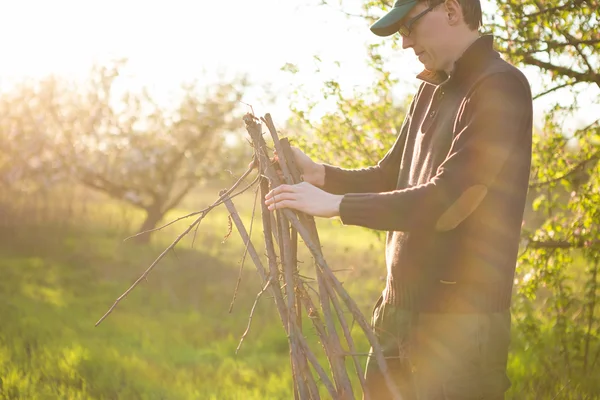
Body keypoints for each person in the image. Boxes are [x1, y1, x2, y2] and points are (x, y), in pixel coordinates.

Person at [265, 0, 533, 398]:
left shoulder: (500, 86)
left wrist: (338, 207)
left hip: (458, 322)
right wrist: (321, 176)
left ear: (452, 10)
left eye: (408, 27)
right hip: (396, 313)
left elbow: (448, 201)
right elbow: (390, 175)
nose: (405, 44)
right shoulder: (431, 88)